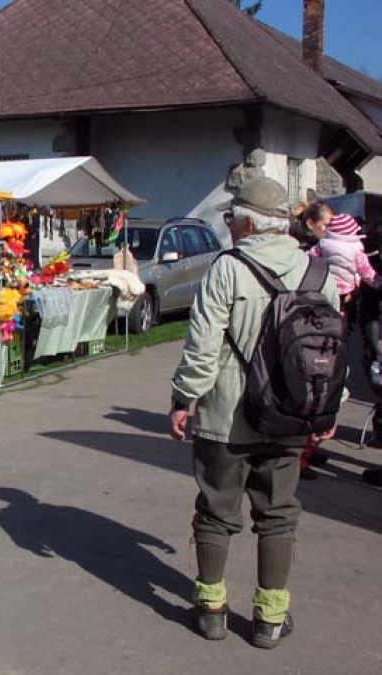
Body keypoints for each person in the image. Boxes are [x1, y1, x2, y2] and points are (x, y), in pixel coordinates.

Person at [168, 177, 338, 649]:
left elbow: (202, 348)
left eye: (230, 218)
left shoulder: (227, 269)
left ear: (246, 223)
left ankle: (211, 611)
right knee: (278, 516)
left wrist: (184, 400)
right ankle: (270, 619)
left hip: (227, 416)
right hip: (292, 415)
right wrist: (330, 408)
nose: (228, 225)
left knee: (215, 511)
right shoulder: (318, 272)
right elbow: (332, 350)